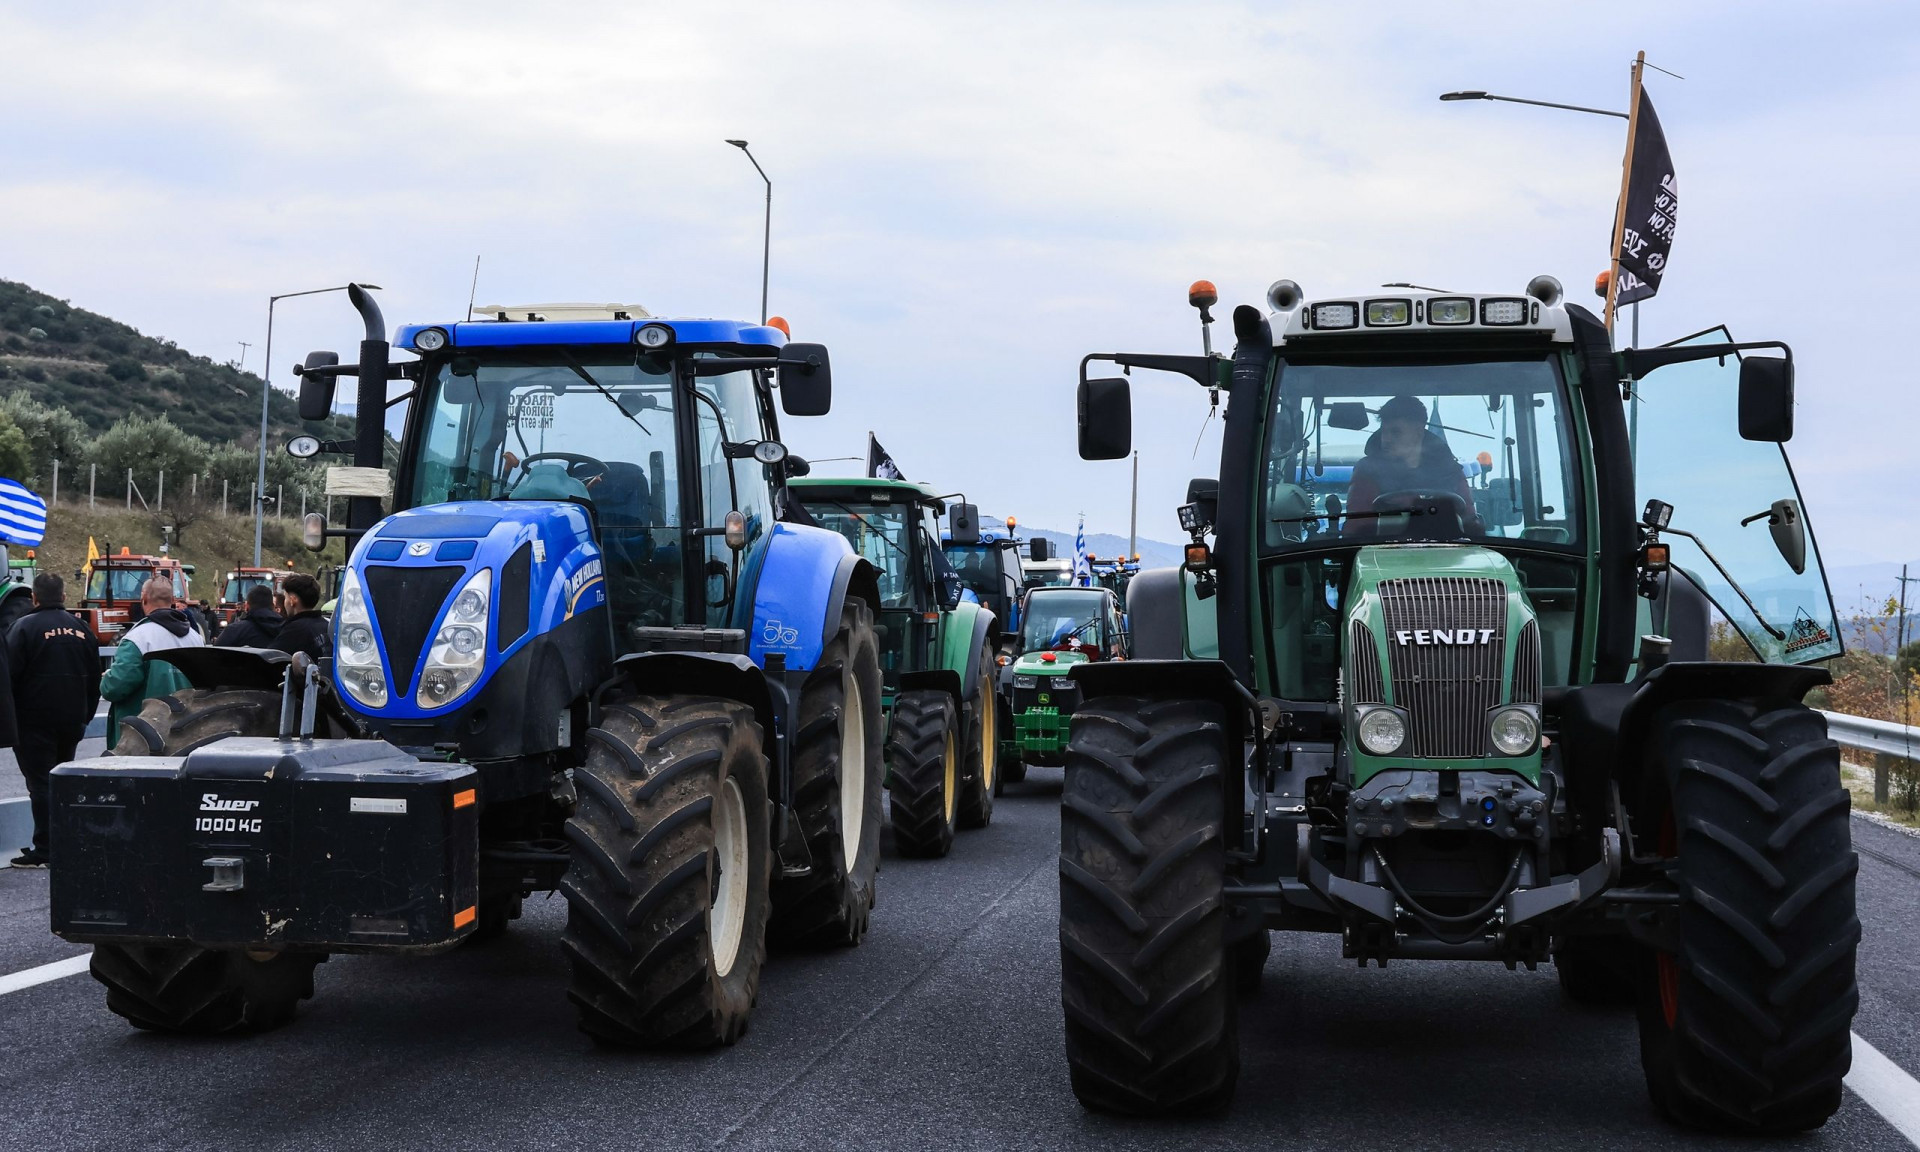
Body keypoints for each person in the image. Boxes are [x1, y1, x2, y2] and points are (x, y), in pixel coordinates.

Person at [6, 574, 99, 869]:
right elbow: (95, 679)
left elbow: (9, 677)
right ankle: (67, 842)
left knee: (40, 784)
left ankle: (45, 849)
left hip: (33, 721)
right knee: (61, 781)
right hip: (71, 720)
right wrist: (84, 717)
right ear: (63, 596)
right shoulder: (82, 629)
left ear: (34, 597)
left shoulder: (23, 628)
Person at [1343, 395, 1476, 535]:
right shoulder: (1368, 471)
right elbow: (1359, 527)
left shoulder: (1450, 471)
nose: (1386, 439)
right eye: (1384, 431)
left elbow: (1471, 526)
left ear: (1418, 433)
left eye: (1395, 432)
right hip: (1384, 547)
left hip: (1449, 547)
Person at [99, 576, 205, 743]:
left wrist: (107, 679)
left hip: (144, 736)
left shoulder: (137, 638)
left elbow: (116, 687)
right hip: (185, 732)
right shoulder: (195, 638)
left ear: (144, 598)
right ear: (172, 600)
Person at [271, 574, 330, 661]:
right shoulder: (326, 624)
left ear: (293, 600)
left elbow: (271, 659)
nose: (284, 602)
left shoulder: (295, 630)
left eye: (286, 598)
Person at [216, 584, 285, 648]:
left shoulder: (233, 631)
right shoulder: (286, 630)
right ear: (273, 605)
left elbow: (215, 653)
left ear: (247, 606)